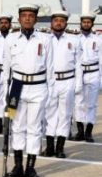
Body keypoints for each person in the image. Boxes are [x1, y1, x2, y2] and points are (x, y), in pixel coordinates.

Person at [3, 4, 54, 177]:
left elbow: (51, 68)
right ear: (19, 19)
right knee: (17, 127)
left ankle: (30, 167)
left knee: (34, 128)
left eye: (30, 16)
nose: (27, 18)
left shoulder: (45, 39)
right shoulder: (10, 39)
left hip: (38, 87)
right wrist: (5, 93)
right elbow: (6, 68)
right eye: (24, 15)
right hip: (17, 86)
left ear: (36, 19)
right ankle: (18, 165)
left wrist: (50, 93)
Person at [42, 10, 82, 158]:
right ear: (51, 23)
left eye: (62, 20)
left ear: (66, 23)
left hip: (68, 81)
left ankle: (60, 148)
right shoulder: (45, 39)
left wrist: (78, 84)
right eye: (56, 20)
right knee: (49, 115)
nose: (59, 23)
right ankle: (50, 147)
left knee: (65, 115)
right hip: (50, 81)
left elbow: (78, 64)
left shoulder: (74, 40)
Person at [73, 13, 100, 143]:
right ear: (81, 23)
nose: (86, 24)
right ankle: (80, 131)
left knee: (92, 104)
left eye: (89, 22)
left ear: (92, 24)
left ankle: (88, 132)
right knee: (78, 102)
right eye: (84, 22)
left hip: (93, 73)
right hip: (79, 73)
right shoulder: (75, 39)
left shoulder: (98, 39)